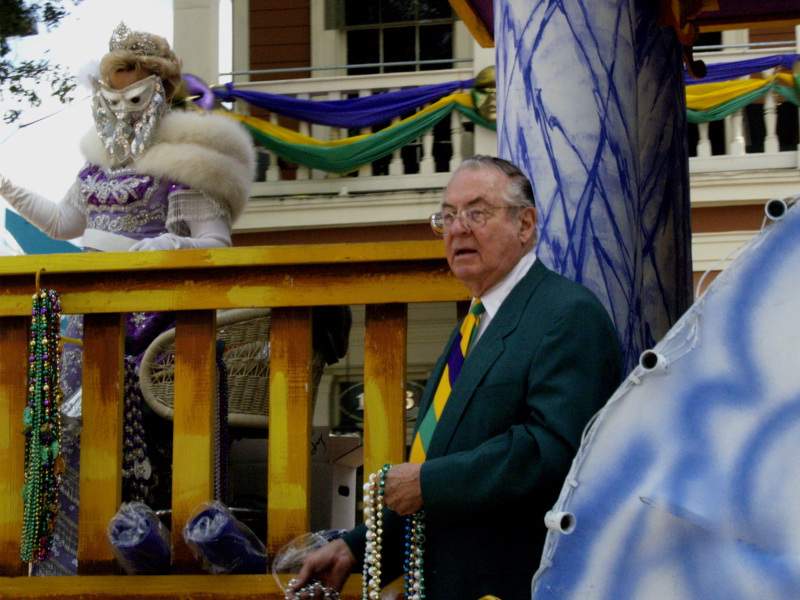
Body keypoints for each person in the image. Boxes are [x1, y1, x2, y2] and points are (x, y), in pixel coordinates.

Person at [290, 156, 623, 599]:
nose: (457, 228)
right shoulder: (472, 325)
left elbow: (553, 450)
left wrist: (429, 483)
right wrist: (353, 548)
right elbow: (443, 455)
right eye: (446, 216)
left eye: (476, 213)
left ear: (525, 224)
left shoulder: (566, 313)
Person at [0, 23, 254, 575]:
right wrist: (10, 189)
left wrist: (165, 244)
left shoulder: (189, 161)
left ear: (160, 92)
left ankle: (112, 543)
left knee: (76, 412)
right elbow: (69, 223)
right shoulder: (94, 166)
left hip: (151, 322)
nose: (119, 108)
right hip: (88, 308)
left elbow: (216, 245)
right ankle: (54, 553)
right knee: (34, 412)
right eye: (108, 96)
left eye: (132, 96)